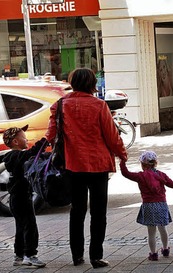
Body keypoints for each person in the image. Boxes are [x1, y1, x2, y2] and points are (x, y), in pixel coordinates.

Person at [46, 68, 127, 269]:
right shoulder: (99, 106)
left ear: (73, 82)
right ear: (92, 83)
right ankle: (96, 256)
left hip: (72, 165)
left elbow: (50, 135)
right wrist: (122, 154)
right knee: (99, 212)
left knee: (77, 210)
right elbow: (111, 136)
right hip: (98, 165)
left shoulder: (60, 105)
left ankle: (77, 255)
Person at [119, 151, 173, 261]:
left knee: (151, 232)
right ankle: (165, 248)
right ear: (155, 163)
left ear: (143, 165)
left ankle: (153, 254)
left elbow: (126, 173)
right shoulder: (161, 175)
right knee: (162, 228)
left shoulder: (140, 176)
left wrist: (122, 161)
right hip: (161, 204)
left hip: (148, 205)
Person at [2, 125, 48, 268]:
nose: (26, 139)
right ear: (15, 142)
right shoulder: (16, 156)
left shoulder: (13, 157)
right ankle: (30, 255)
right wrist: (45, 141)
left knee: (21, 227)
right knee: (30, 226)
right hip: (22, 198)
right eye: (23, 137)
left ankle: (19, 256)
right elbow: (32, 152)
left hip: (17, 199)